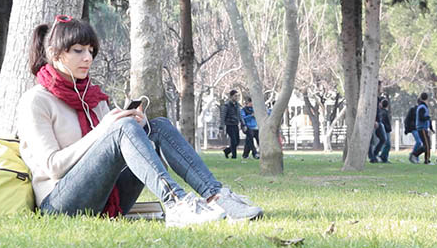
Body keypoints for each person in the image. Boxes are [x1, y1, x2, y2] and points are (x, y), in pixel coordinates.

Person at [17, 15, 263, 228]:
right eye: (78, 50)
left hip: (106, 196)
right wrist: (105, 129)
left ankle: (217, 196)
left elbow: (114, 153)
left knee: (158, 127)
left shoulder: (93, 97)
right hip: (60, 203)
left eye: (91, 50)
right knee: (121, 128)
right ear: (54, 54)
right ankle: (176, 204)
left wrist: (140, 128)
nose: (88, 58)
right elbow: (53, 167)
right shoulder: (36, 101)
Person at [220, 90, 245, 159]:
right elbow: (223, 116)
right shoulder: (226, 105)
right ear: (231, 96)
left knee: (237, 141)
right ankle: (234, 156)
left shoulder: (237, 105)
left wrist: (243, 124)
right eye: (235, 96)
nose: (237, 97)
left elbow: (240, 115)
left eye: (237, 96)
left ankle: (227, 151)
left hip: (236, 125)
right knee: (233, 141)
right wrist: (221, 127)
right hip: (229, 125)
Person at [411, 92, 434, 164]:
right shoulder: (422, 107)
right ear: (427, 98)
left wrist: (430, 127)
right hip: (422, 128)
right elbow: (422, 118)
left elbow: (427, 119)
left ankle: (414, 154)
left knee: (427, 145)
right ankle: (427, 160)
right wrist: (428, 117)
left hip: (424, 128)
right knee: (427, 145)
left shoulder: (423, 106)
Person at [368, 99, 387, 163]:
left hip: (379, 122)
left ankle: (375, 154)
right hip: (372, 122)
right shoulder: (372, 98)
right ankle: (372, 157)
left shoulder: (378, 98)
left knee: (383, 139)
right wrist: (373, 121)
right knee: (370, 141)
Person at [407, 99, 425, 164]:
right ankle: (413, 155)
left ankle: (416, 157)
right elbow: (408, 119)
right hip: (414, 128)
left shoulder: (423, 109)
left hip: (420, 128)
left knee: (421, 143)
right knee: (419, 142)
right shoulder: (413, 109)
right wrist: (407, 129)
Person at [377, 99, 392, 163]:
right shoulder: (384, 112)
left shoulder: (383, 112)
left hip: (386, 129)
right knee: (387, 144)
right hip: (386, 130)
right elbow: (383, 122)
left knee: (386, 145)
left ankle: (385, 158)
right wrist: (388, 128)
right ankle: (382, 157)